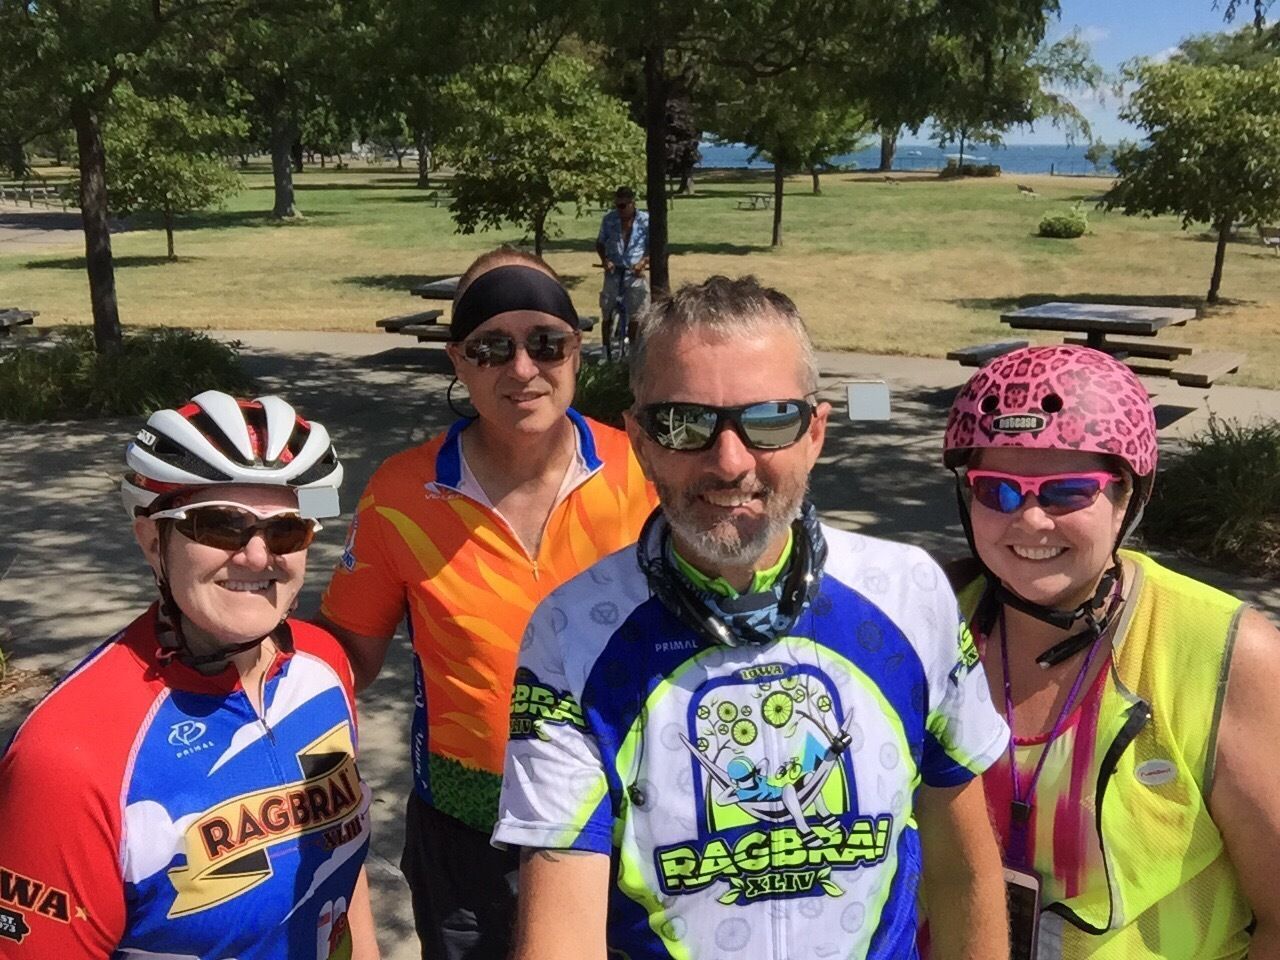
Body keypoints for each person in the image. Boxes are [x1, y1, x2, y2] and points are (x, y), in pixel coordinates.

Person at [493, 275, 1012, 960]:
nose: (730, 462)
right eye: (684, 424)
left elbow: (962, 871)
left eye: (769, 420)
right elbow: (561, 931)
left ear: (816, 432)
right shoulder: (573, 631)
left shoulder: (909, 593)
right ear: (640, 440)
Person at [317, 248, 657, 960]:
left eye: (546, 343)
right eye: (491, 348)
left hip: (632, 823)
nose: (522, 368)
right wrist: (235, 646)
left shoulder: (646, 469)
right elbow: (346, 654)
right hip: (468, 838)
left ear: (577, 347)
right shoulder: (401, 492)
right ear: (458, 360)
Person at [0, 391, 376, 959]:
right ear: (153, 542)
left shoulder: (325, 664)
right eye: (220, 526)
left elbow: (339, 859)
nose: (257, 556)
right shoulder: (67, 759)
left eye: (286, 531)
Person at [941, 344, 1280, 959]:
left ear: (1127, 497)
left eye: (1068, 492)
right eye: (998, 491)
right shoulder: (928, 623)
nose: (1031, 520)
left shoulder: (1227, 653)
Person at [595, 185, 650, 356]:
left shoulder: (645, 221)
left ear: (632, 204)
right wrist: (605, 261)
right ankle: (606, 349)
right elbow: (600, 243)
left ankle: (633, 350)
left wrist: (643, 262)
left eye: (623, 205)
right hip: (614, 271)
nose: (620, 209)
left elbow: (653, 245)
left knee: (638, 312)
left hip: (634, 271)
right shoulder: (609, 219)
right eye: (617, 205)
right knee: (607, 308)